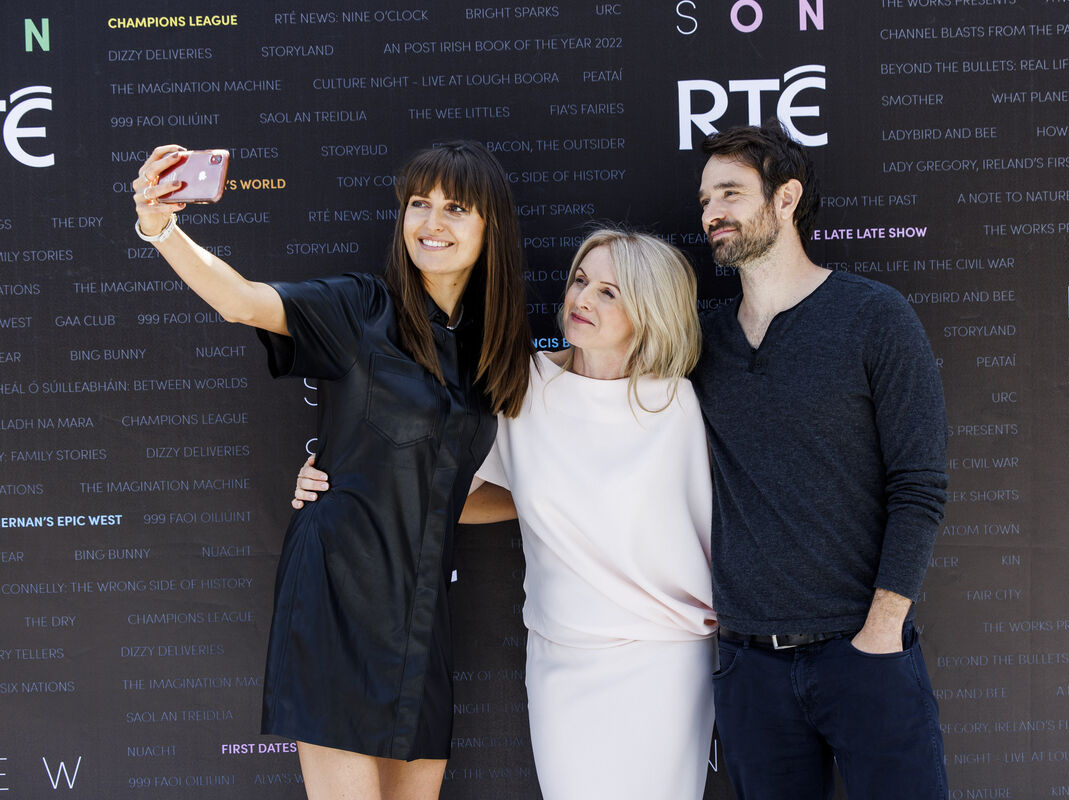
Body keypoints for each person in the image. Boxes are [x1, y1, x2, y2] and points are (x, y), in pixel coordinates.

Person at [131, 141, 532, 800]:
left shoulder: (495, 346)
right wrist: (160, 226)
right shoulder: (360, 307)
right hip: (337, 594)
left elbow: (447, 495)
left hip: (422, 613)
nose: (432, 223)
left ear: (491, 227)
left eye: (456, 208)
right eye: (418, 204)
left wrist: (554, 501)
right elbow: (241, 301)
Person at [295, 229, 717, 800]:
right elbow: (439, 487)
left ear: (651, 309)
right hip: (562, 654)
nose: (582, 298)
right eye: (579, 279)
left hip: (667, 658)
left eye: (610, 292)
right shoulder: (525, 388)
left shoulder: (680, 405)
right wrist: (339, 481)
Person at [692, 123, 949, 799]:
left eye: (730, 193)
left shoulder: (875, 317)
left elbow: (919, 485)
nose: (712, 212)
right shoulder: (699, 343)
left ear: (785, 199)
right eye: (704, 200)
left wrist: (882, 631)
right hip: (750, 671)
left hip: (863, 654)